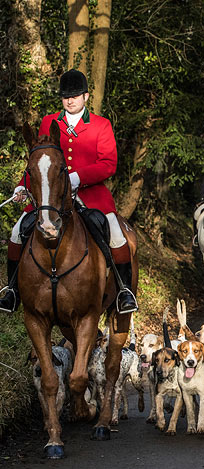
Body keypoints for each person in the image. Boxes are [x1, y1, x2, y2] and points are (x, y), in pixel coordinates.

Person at [0, 69, 137, 314]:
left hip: (91, 194)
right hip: (49, 195)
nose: (70, 100)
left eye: (74, 96)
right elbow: (38, 158)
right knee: (16, 232)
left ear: (85, 96)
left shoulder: (101, 125)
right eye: (65, 96)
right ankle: (12, 291)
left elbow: (108, 164)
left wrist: (76, 177)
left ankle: (124, 291)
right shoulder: (48, 122)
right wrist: (23, 184)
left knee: (116, 233)